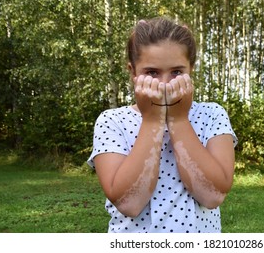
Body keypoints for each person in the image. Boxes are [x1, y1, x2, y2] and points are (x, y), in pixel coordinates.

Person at [87, 17, 237, 233]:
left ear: (191, 69)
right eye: (152, 73)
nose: (165, 84)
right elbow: (129, 203)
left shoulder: (212, 115)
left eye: (177, 72)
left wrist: (179, 120)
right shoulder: (111, 122)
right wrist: (152, 120)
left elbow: (213, 196)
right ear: (133, 72)